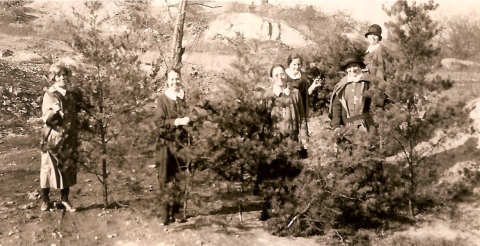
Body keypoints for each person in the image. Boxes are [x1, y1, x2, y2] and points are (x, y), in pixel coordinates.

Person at [256, 64, 308, 219]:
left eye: (282, 74)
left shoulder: (295, 93)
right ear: (271, 78)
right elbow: (261, 120)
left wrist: (304, 137)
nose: (280, 77)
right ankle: (269, 208)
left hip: (291, 138)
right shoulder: (267, 95)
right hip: (273, 140)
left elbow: (302, 117)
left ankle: (289, 210)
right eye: (276, 75)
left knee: (290, 173)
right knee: (272, 174)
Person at [40, 64, 81, 212]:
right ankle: (45, 200)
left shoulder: (72, 94)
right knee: (47, 168)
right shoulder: (49, 94)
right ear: (54, 78)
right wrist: (54, 112)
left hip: (69, 136)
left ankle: (65, 199)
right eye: (59, 76)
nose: (63, 78)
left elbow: (79, 111)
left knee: (67, 168)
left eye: (65, 75)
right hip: (52, 136)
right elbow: (46, 119)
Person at [155, 68, 190, 225]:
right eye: (172, 79)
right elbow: (159, 123)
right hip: (165, 145)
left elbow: (190, 117)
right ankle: (165, 215)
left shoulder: (183, 98)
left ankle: (176, 212)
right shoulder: (162, 99)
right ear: (167, 81)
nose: (175, 82)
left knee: (179, 177)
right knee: (164, 178)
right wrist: (177, 122)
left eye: (177, 79)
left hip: (180, 144)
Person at [329, 54, 384, 132]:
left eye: (354, 66)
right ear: (346, 69)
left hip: (368, 126)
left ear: (360, 67)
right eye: (349, 67)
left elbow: (380, 103)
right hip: (348, 128)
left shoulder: (370, 81)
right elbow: (337, 107)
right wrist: (336, 126)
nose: (352, 69)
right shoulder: (341, 85)